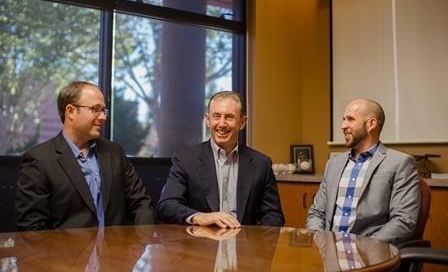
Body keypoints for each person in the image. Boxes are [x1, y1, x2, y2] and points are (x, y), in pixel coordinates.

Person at [15, 81, 155, 231]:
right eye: (95, 110)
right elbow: (31, 230)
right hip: (65, 254)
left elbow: (142, 204)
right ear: (70, 111)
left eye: (104, 111)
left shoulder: (115, 153)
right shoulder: (39, 160)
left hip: (118, 252)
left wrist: (140, 243)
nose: (103, 117)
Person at [157, 91, 284, 228]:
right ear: (207, 119)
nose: (222, 124)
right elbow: (167, 205)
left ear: (242, 122)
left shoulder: (261, 164)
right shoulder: (186, 159)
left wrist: (258, 244)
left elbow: (273, 215)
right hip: (199, 245)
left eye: (229, 117)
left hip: (245, 245)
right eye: (216, 116)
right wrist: (199, 217)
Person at [306, 98, 420, 245]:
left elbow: (403, 221)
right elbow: (317, 213)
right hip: (328, 252)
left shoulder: (400, 163)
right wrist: (320, 241)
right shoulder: (333, 165)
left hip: (370, 254)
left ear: (371, 124)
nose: (343, 126)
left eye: (350, 119)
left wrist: (364, 247)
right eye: (343, 119)